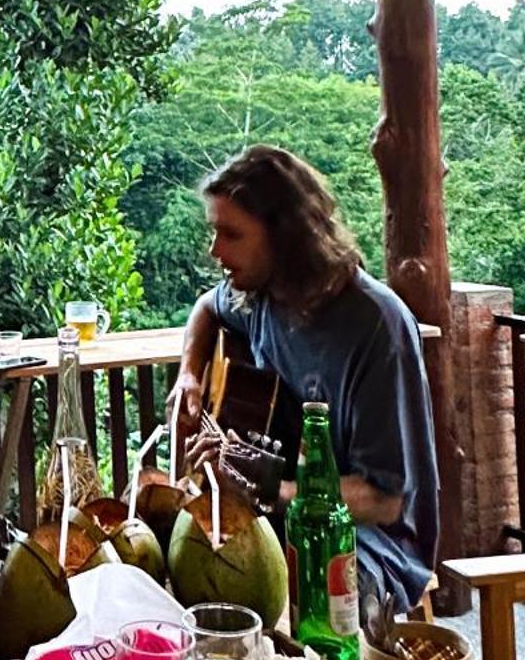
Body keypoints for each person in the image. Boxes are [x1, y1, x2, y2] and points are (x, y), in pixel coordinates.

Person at [169, 146, 439, 613]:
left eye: (231, 234)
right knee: (171, 556)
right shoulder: (262, 295)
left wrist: (269, 492)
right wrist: (190, 376)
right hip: (282, 515)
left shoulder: (376, 327)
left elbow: (384, 501)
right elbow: (206, 308)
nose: (216, 251)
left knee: (270, 599)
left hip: (368, 544)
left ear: (285, 236)